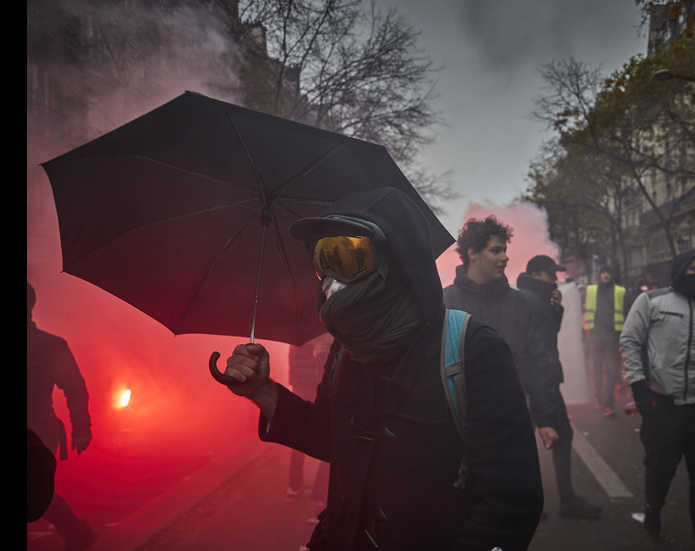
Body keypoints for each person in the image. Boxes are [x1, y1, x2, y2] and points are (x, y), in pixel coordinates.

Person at [220, 188, 543, 550]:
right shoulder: (346, 350)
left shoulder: (474, 350)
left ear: (398, 261)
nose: (330, 278)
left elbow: (512, 503)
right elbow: (332, 438)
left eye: (347, 255)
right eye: (323, 258)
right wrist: (264, 392)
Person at [441, 218, 583, 519]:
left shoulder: (520, 304)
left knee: (506, 511)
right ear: (472, 254)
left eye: (504, 249)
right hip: (455, 425)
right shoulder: (444, 301)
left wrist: (545, 418)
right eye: (496, 250)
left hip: (509, 420)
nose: (505, 256)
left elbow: (536, 362)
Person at [620, 250, 695, 551]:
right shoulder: (651, 301)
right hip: (664, 409)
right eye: (694, 268)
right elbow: (630, 341)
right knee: (660, 471)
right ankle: (653, 509)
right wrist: (638, 388)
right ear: (679, 270)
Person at [515, 254, 603, 519]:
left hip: (541, 380)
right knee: (534, 441)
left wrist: (557, 309)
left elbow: (547, 337)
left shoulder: (537, 297)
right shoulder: (529, 299)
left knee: (548, 438)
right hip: (537, 382)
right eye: (552, 273)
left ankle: (555, 500)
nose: (556, 278)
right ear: (538, 274)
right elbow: (537, 346)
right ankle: (540, 501)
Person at [27, 282, 97, 550]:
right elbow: (75, 388)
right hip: (41, 429)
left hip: (37, 432)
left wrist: (81, 429)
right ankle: (77, 533)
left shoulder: (50, 345)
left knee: (34, 490)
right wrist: (80, 429)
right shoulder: (51, 344)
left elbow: (74, 387)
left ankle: (77, 532)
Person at [286, 333, 332, 509]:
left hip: (298, 387)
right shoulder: (318, 336)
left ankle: (294, 485)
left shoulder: (294, 336)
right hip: (312, 389)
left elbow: (293, 363)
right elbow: (321, 365)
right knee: (323, 433)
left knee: (298, 435)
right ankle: (321, 494)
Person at [583, 265, 630, 416]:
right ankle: (599, 399)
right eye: (603, 272)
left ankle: (609, 403)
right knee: (597, 369)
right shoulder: (590, 291)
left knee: (610, 370)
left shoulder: (620, 291)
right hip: (596, 337)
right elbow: (576, 303)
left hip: (612, 337)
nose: (605, 275)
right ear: (599, 275)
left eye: (608, 272)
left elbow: (628, 311)